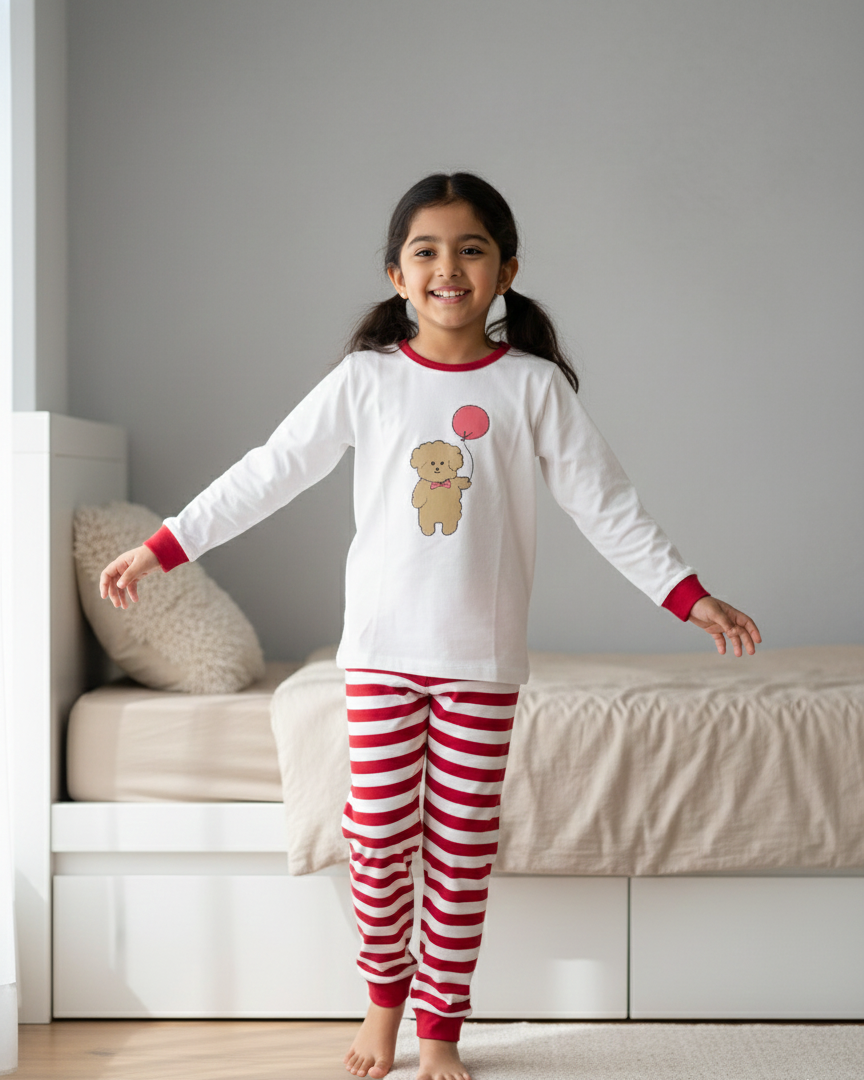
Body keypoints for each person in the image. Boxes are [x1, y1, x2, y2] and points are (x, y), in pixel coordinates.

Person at [99, 172, 761, 1080]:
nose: (449, 266)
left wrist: (690, 596)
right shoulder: (366, 381)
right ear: (396, 277)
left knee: (459, 849)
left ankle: (440, 1029)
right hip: (378, 655)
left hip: (481, 663)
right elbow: (268, 472)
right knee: (376, 834)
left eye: (472, 248)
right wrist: (162, 547)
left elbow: (608, 507)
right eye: (427, 251)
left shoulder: (532, 390)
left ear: (507, 271)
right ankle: (383, 1005)